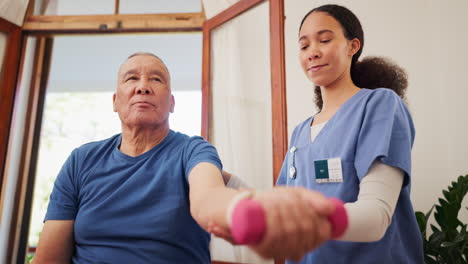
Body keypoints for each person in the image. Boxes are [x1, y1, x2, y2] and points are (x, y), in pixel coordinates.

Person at [32, 52, 337, 264]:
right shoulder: (81, 160)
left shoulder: (193, 150)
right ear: (115, 101)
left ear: (172, 102)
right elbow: (48, 258)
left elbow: (210, 198)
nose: (142, 86)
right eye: (131, 79)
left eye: (156, 79)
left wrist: (244, 211)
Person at [277, 4, 424, 263]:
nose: (312, 52)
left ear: (353, 46)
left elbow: (375, 217)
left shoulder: (379, 106)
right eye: (303, 46)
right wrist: (227, 182)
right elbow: (276, 207)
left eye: (324, 40)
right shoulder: (301, 132)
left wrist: (299, 219)